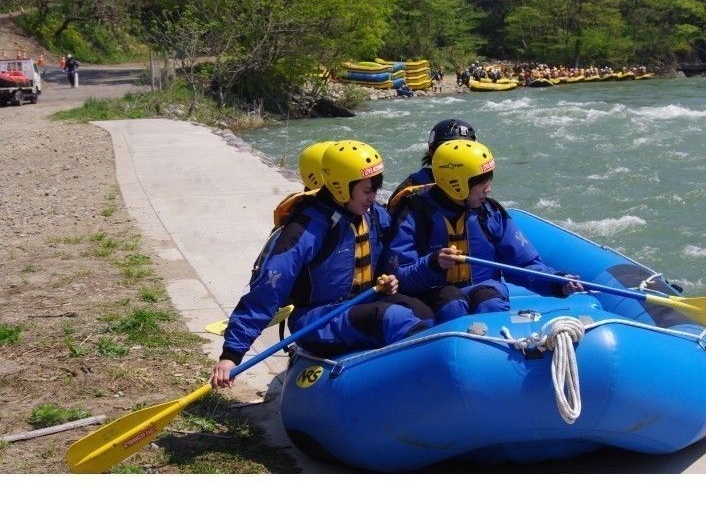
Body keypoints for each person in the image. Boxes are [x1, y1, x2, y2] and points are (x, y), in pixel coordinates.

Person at [211, 140, 435, 388]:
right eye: (367, 191)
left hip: (364, 304)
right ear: (341, 188)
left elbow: (387, 261)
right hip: (317, 319)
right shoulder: (306, 229)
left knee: (423, 312)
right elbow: (267, 292)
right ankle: (424, 383)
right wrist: (230, 356)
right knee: (392, 318)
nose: (374, 197)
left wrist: (389, 278)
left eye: (375, 189)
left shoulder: (374, 215)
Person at [385, 139, 583, 324]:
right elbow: (399, 276)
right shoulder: (414, 212)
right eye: (482, 183)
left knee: (491, 303)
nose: (488, 190)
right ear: (457, 183)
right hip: (433, 295)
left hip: (483, 289)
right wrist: (432, 264)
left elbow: (523, 264)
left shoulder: (489, 212)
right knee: (452, 304)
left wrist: (557, 282)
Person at [386, 118, 477, 211]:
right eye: (450, 151)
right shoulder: (412, 189)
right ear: (431, 151)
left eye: (465, 151)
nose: (458, 156)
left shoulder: (478, 183)